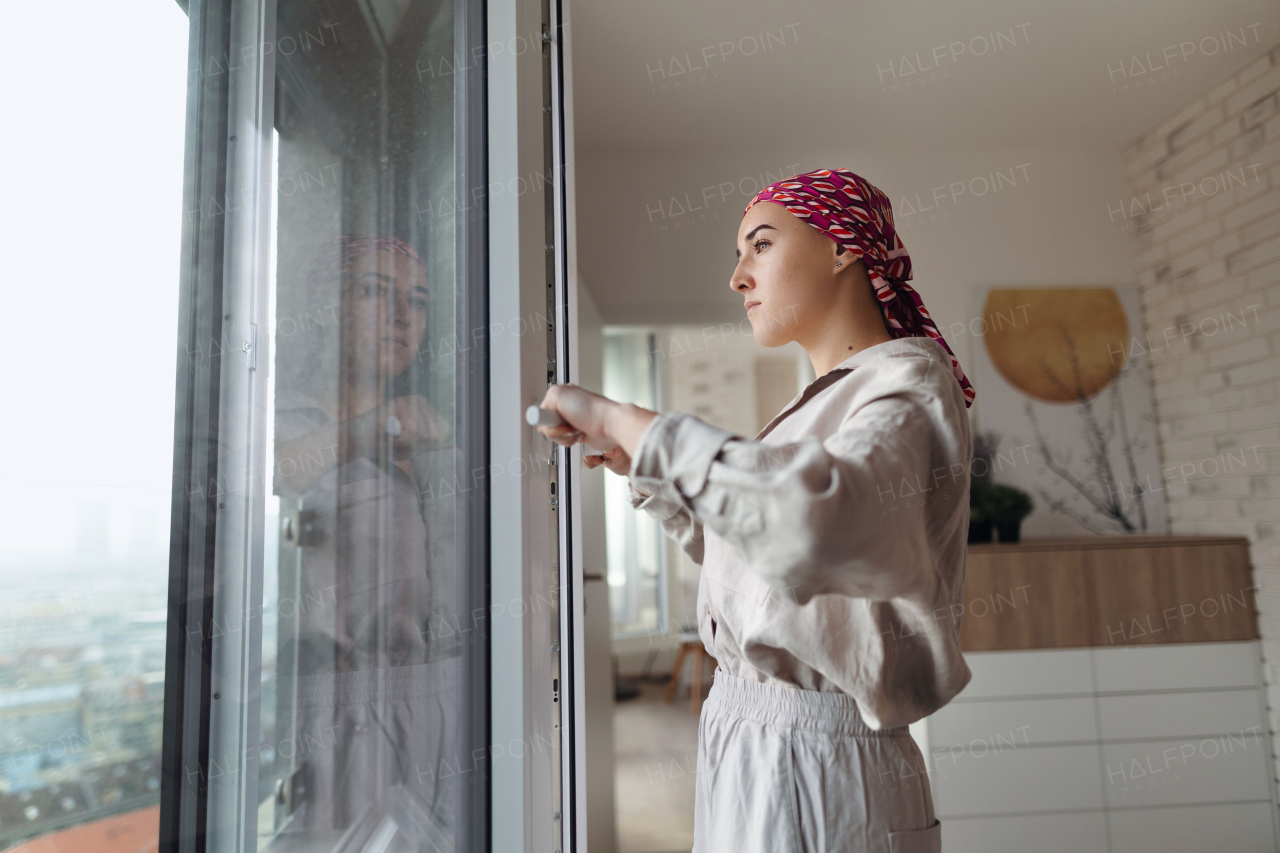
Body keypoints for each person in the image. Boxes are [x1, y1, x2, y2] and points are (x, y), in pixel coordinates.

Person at [537, 169, 974, 853]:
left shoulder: (908, 379)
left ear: (842, 247)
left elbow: (823, 522)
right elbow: (757, 562)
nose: (738, 277)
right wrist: (647, 471)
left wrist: (645, 426)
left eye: (760, 245)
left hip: (821, 763)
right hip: (750, 740)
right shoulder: (817, 401)